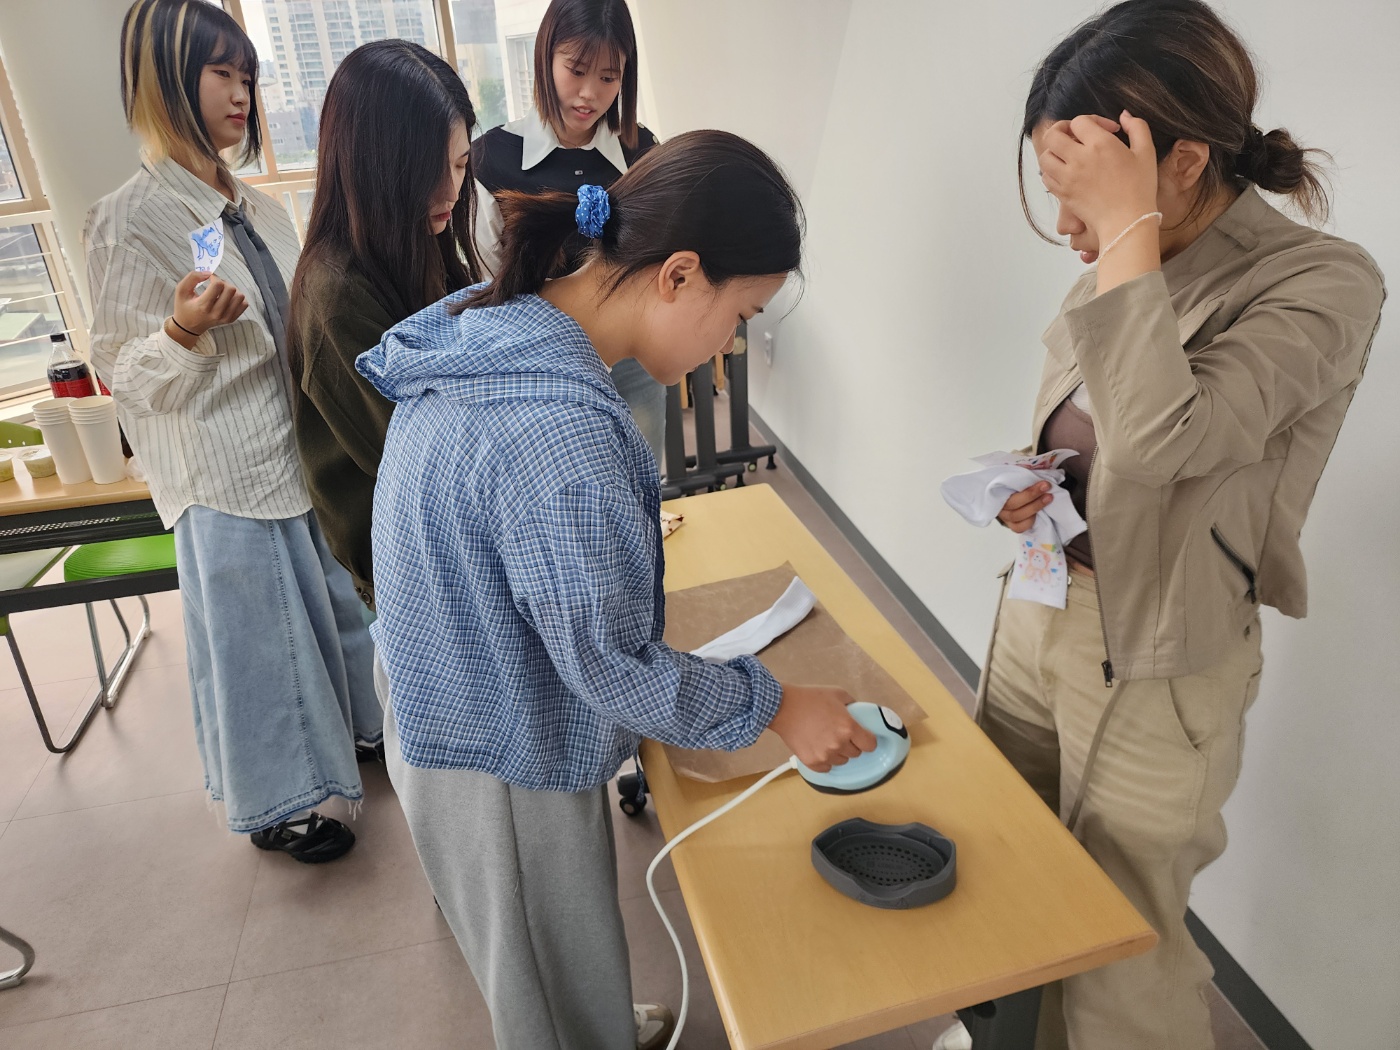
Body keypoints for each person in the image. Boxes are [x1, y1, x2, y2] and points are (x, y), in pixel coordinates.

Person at [360, 130, 877, 1050]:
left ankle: (584, 1014)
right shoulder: (562, 437)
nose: (732, 344)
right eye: (741, 314)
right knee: (544, 977)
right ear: (678, 275)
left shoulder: (496, 325)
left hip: (446, 698)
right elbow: (612, 669)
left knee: (551, 956)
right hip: (498, 753)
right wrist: (779, 706)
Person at [935, 2, 1385, 1048]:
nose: (1066, 227)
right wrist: (1037, 484)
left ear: (1180, 162)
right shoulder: (1133, 258)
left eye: (1081, 192)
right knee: (1002, 858)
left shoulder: (1322, 281)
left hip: (1159, 657)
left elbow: (1161, 443)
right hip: (1043, 600)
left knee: (1121, 948)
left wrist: (1126, 233)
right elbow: (1098, 434)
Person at [84, 0, 382, 862]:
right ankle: (282, 804)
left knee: (336, 610)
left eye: (247, 75)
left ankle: (362, 734)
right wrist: (181, 331)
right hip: (223, 473)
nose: (241, 93)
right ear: (167, 80)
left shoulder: (258, 207)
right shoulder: (128, 219)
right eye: (222, 73)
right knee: (262, 648)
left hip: (298, 455)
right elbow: (122, 374)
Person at [287, 39, 484, 611]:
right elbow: (424, 460)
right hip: (415, 574)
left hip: (452, 546)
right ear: (373, 168)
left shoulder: (418, 238)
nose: (451, 191)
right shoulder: (336, 297)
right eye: (427, 172)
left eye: (460, 165)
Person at [471, 0, 668, 465]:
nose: (589, 94)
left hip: (630, 361)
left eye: (608, 77)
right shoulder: (493, 159)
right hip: (538, 366)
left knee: (640, 477)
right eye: (576, 70)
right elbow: (490, 282)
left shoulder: (643, 153)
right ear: (545, 56)